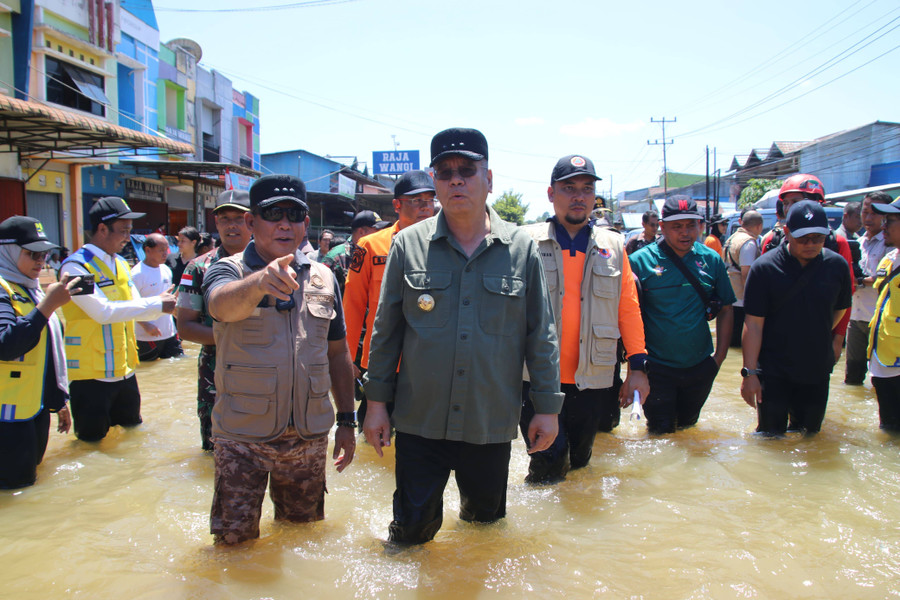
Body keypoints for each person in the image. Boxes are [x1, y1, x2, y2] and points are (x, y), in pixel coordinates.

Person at [363, 127, 563, 545]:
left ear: (488, 179)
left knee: (483, 531)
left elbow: (540, 335)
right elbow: (386, 334)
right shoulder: (408, 245)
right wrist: (376, 405)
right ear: (434, 182)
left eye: (467, 170)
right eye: (445, 171)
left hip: (489, 422)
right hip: (420, 421)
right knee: (411, 534)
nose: (456, 180)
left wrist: (546, 408)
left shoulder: (521, 248)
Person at [202, 174, 356, 545]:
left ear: (306, 223)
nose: (285, 223)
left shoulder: (324, 276)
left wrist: (348, 422)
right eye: (273, 213)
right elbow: (219, 305)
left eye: (294, 214)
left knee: (302, 542)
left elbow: (338, 353)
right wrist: (258, 284)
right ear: (251, 223)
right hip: (241, 440)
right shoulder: (228, 269)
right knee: (233, 548)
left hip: (307, 438)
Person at [520, 154, 648, 484]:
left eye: (587, 189)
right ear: (551, 194)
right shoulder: (525, 243)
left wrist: (637, 369)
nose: (579, 196)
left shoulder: (614, 245)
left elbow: (628, 309)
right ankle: (539, 534)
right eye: (569, 188)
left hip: (593, 378)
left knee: (578, 464)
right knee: (548, 464)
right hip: (535, 379)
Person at [59, 197, 177, 442]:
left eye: (129, 231)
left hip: (124, 371)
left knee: (132, 437)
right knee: (91, 445)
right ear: (102, 229)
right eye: (123, 231)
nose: (128, 238)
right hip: (91, 376)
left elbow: (135, 306)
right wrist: (157, 303)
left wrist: (165, 308)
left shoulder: (122, 264)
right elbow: (103, 312)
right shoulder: (75, 268)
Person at [741, 201, 852, 435]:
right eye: (803, 239)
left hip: (816, 368)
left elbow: (841, 309)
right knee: (770, 438)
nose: (810, 245)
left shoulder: (837, 266)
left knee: (810, 437)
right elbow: (753, 324)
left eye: (818, 238)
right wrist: (749, 373)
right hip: (773, 370)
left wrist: (818, 333)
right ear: (788, 232)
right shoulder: (765, 268)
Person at [628, 196, 736, 434]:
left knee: (689, 430)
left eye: (691, 225)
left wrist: (719, 357)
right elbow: (627, 315)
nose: (685, 232)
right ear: (662, 227)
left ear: (700, 226)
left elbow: (727, 309)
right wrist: (633, 368)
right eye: (677, 226)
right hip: (656, 367)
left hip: (700, 366)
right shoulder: (639, 261)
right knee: (660, 432)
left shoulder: (711, 259)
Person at [344, 170, 435, 428]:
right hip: (382, 362)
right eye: (416, 201)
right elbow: (352, 304)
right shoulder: (370, 246)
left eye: (429, 201)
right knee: (372, 436)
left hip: (429, 362)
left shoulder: (448, 245)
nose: (424, 208)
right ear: (396, 205)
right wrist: (348, 359)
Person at [0, 216, 79, 489]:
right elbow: (6, 345)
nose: (40, 261)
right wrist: (47, 306)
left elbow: (46, 355)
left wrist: (58, 402)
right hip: (6, 420)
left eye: (44, 254)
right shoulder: (3, 288)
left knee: (28, 489)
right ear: (7, 251)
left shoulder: (31, 290)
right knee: (15, 491)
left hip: (32, 411)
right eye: (32, 253)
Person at [176, 190, 252, 451]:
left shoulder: (272, 264)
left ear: (252, 221)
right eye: (224, 218)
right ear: (216, 223)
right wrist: (235, 337)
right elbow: (184, 326)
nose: (231, 225)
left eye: (238, 218)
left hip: (267, 374)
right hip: (216, 376)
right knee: (216, 457)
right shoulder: (197, 268)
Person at [760, 174, 855, 365]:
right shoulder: (771, 242)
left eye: (795, 202)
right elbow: (757, 303)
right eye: (785, 203)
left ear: (816, 204)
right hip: (775, 342)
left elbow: (845, 299)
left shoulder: (838, 244)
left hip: (818, 342)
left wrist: (837, 339)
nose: (788, 208)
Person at [845, 192, 892, 385]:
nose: (868, 218)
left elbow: (886, 277)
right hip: (856, 317)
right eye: (865, 212)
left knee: (880, 381)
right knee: (852, 378)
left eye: (875, 213)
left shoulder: (891, 243)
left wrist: (860, 281)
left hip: (880, 320)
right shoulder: (859, 242)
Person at [867, 197, 900, 431]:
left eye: (890, 221)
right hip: (883, 359)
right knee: (888, 430)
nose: (883, 226)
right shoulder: (890, 259)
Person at [131, 234, 183, 362]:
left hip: (169, 333)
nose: (165, 254)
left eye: (166, 250)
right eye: (161, 250)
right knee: (148, 371)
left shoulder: (166, 269)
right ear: (148, 250)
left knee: (176, 368)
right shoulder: (137, 274)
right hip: (146, 336)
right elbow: (130, 305)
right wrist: (145, 324)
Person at [322, 210, 389, 294]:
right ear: (361, 232)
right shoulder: (335, 257)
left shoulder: (378, 255)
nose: (381, 234)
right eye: (377, 231)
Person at [723, 210, 763, 347]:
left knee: (730, 342)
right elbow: (747, 275)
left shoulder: (732, 239)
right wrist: (751, 302)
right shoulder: (748, 243)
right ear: (759, 226)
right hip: (740, 299)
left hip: (730, 295)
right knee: (739, 343)